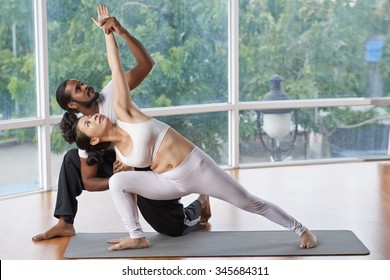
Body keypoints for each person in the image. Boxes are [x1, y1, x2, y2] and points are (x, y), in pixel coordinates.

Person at [66, 4, 317, 251]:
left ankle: (301, 229)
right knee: (117, 181)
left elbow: (116, 68)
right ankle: (137, 236)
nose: (94, 118)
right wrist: (128, 172)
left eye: (89, 118)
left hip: (196, 168)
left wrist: (110, 32)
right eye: (88, 123)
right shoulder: (121, 157)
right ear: (95, 140)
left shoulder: (124, 111)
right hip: (169, 183)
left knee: (249, 202)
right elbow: (127, 185)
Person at [32, 14, 211, 242]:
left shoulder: (112, 92)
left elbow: (147, 65)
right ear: (74, 105)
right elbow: (88, 181)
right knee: (71, 159)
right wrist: (118, 179)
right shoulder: (83, 129)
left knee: (172, 228)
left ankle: (200, 204)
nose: (85, 85)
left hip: (146, 163)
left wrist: (121, 32)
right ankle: (64, 223)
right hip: (121, 167)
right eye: (78, 88)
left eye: (82, 82)